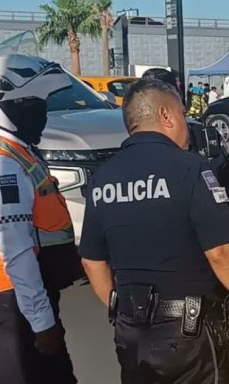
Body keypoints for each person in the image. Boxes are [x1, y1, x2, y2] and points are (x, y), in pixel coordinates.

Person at [79, 78, 229, 383]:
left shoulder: (102, 179)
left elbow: (92, 261)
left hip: (131, 332)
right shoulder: (192, 169)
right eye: (183, 115)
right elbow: (220, 253)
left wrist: (122, 308)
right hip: (192, 334)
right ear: (166, 115)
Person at [0, 54, 81, 384]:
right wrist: (42, 323)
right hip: (14, 303)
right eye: (36, 102)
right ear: (14, 104)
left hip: (25, 298)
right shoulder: (5, 164)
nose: (42, 111)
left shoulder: (18, 150)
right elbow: (16, 251)